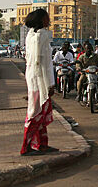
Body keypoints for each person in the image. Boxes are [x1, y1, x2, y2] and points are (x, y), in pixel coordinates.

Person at [20, 9, 58, 156]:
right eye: (47, 17)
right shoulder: (41, 36)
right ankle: (26, 146)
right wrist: (49, 84)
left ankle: (42, 144)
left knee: (40, 113)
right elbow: (41, 63)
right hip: (39, 80)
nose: (49, 19)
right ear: (42, 20)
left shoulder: (30, 35)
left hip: (33, 78)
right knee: (35, 113)